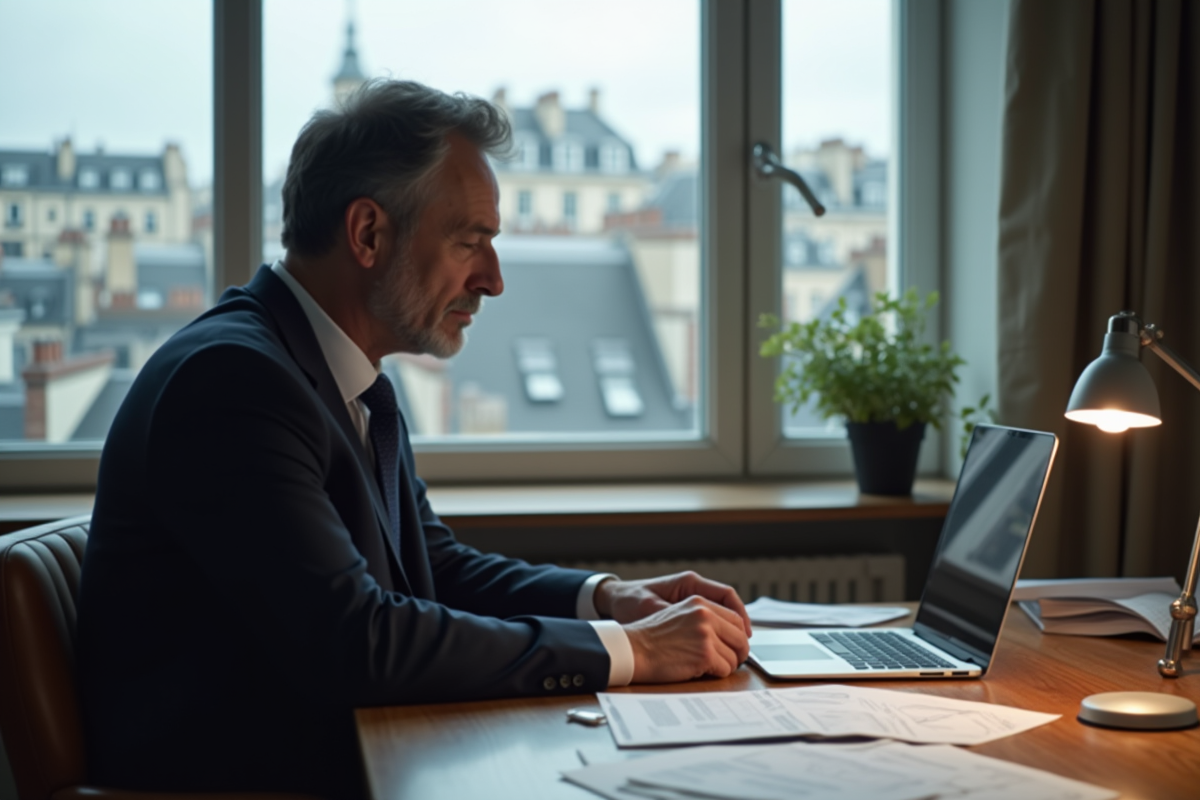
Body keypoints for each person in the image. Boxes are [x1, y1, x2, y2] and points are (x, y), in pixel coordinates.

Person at [76, 79, 752, 800]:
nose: (492, 280)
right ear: (368, 233)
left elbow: (435, 568)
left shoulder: (337, 376)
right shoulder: (234, 382)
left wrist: (608, 601)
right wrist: (631, 653)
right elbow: (357, 642)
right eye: (471, 242)